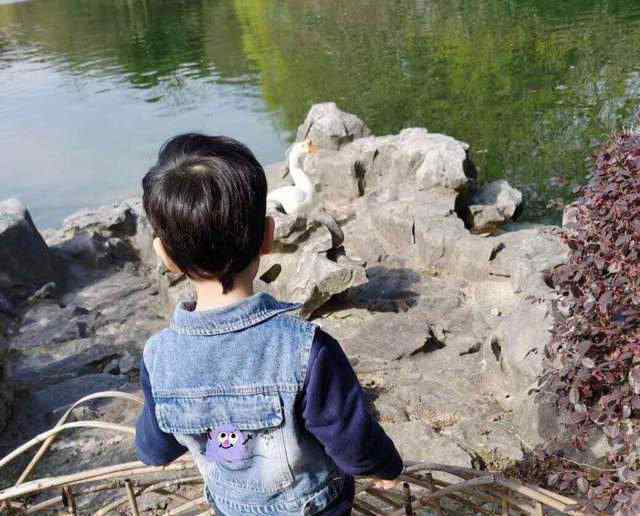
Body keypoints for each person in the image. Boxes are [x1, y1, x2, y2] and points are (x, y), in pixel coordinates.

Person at [135, 133, 403, 515]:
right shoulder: (307, 348)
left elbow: (154, 448)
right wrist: (386, 466)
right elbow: (352, 441)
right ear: (267, 237)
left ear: (165, 256)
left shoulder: (158, 356)